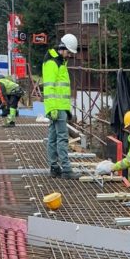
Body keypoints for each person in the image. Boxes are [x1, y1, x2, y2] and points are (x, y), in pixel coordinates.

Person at [42, 33, 78, 178]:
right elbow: (49, 88)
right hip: (57, 107)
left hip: (59, 107)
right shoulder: (53, 63)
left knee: (53, 138)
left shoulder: (59, 62)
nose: (69, 55)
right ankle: (66, 170)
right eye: (69, 52)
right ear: (62, 48)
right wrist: (52, 108)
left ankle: (54, 168)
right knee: (62, 138)